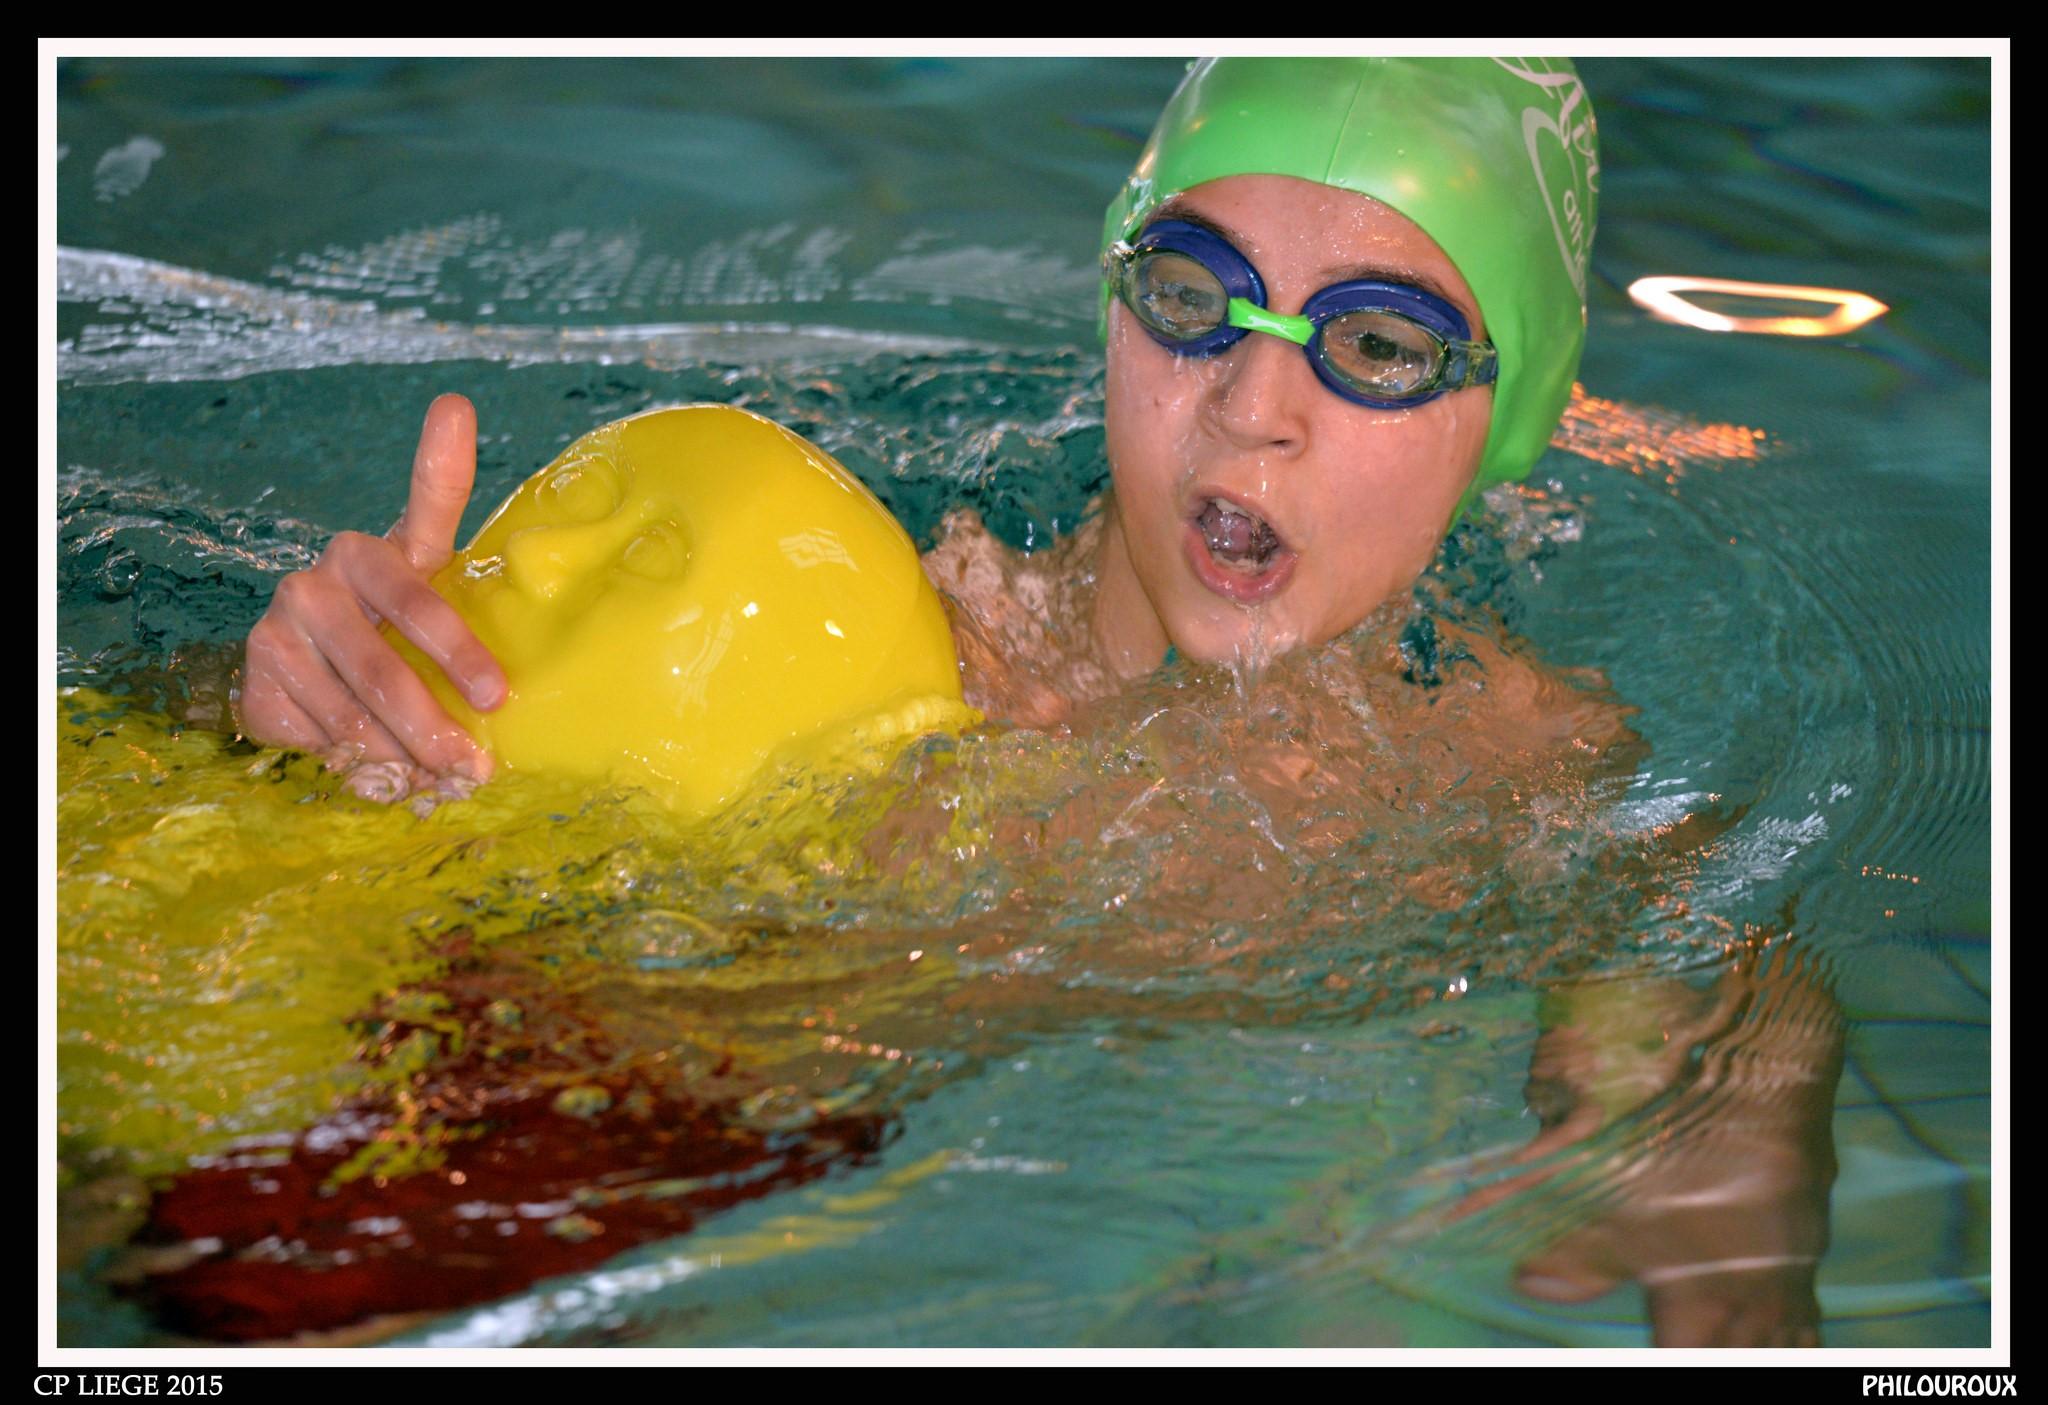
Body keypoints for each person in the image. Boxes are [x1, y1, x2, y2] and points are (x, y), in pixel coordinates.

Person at [237, 57, 1600, 780]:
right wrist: (300, 724)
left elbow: (1738, 1036)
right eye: (1193, 294)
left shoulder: (1538, 769)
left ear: (1514, 411)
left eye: (1374, 343)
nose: (1252, 404)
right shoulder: (823, 619)